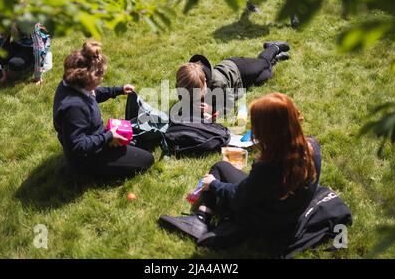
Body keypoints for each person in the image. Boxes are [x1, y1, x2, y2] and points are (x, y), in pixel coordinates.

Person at [159, 93, 322, 248]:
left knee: (219, 168)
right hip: (288, 214)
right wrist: (251, 179)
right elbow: (262, 185)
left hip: (267, 219)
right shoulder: (311, 147)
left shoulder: (269, 167)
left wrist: (214, 184)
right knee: (226, 172)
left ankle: (203, 220)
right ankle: (226, 222)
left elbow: (239, 197)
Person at [53, 40, 154, 179]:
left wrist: (117, 90)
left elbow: (94, 94)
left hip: (95, 139)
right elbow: (77, 146)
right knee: (147, 159)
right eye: (101, 75)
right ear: (88, 79)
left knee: (139, 142)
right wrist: (108, 137)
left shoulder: (72, 84)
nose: (103, 78)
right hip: (87, 159)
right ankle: (91, 174)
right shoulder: (74, 107)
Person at [174, 42, 290, 119]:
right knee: (267, 75)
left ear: (204, 81)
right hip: (237, 83)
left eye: (198, 94)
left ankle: (274, 47)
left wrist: (213, 110)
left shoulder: (218, 83)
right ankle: (274, 60)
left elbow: (229, 102)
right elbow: (183, 106)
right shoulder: (185, 85)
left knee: (263, 64)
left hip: (237, 68)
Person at [0, 0, 52, 85]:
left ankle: (44, 58)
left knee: (16, 64)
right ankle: (24, 57)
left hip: (37, 44)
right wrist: (4, 72)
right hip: (21, 41)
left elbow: (39, 46)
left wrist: (38, 76)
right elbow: (2, 40)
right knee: (0, 57)